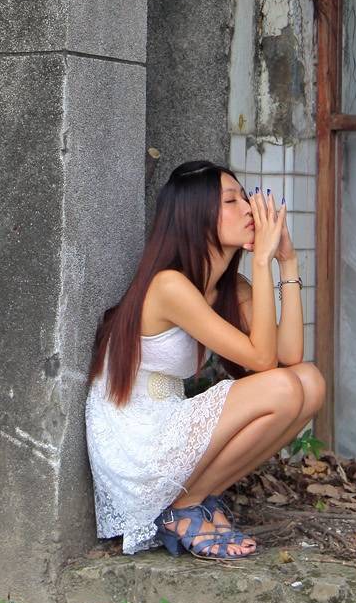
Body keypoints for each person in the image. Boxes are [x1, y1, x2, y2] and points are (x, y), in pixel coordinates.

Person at [85, 159, 325, 560]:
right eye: (232, 201)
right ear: (196, 216)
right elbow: (265, 362)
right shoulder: (170, 286)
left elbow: (289, 355)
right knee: (283, 387)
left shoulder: (231, 287)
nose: (250, 208)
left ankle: (193, 500)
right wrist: (262, 260)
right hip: (135, 440)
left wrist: (287, 262)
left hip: (168, 424)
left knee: (311, 382)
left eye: (245, 197)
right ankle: (182, 509)